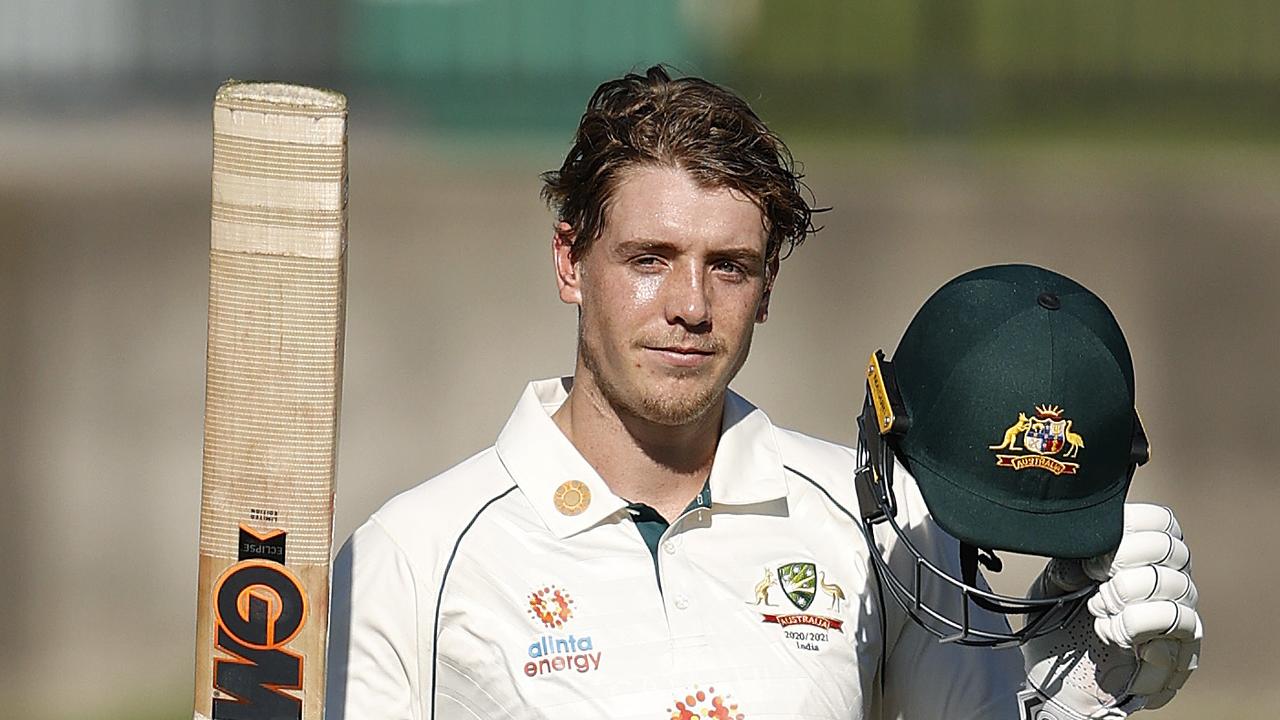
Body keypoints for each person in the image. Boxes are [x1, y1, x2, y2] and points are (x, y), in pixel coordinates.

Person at [325, 66, 1200, 719]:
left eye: (729, 267)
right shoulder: (411, 557)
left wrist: (1072, 690)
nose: (690, 307)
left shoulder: (884, 526)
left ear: (768, 286)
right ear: (570, 261)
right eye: (649, 259)